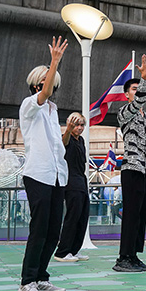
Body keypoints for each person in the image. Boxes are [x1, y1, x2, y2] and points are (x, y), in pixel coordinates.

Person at [18, 37, 69, 291]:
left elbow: (57, 145)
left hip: (57, 175)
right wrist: (55, 60)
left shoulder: (53, 110)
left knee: (52, 232)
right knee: (39, 229)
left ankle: (41, 277)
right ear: (36, 85)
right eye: (47, 84)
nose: (50, 89)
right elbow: (43, 94)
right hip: (37, 174)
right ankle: (26, 281)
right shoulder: (30, 106)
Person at [114, 54, 146, 272]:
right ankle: (123, 257)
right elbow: (140, 99)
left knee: (142, 214)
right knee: (130, 213)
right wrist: (145, 78)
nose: (137, 91)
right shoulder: (125, 113)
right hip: (131, 168)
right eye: (133, 89)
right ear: (127, 95)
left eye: (139, 87)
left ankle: (134, 254)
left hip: (144, 170)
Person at [54, 113, 91, 263]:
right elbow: (63, 144)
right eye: (77, 124)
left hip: (81, 181)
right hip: (71, 183)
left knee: (82, 217)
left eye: (82, 125)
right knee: (72, 216)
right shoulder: (65, 138)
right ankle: (63, 251)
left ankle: (74, 249)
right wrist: (68, 130)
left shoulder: (81, 141)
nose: (80, 128)